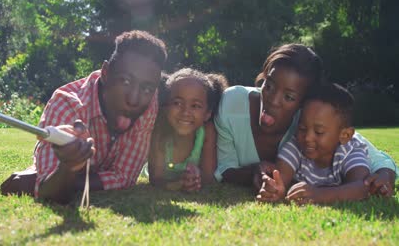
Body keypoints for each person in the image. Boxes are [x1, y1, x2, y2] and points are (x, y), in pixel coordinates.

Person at [214, 43, 397, 196]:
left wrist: (386, 174)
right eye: (268, 85)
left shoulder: (306, 124)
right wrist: (254, 172)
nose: (273, 101)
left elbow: (370, 154)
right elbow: (224, 168)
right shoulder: (232, 104)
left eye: (289, 97)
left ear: (304, 104)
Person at [33, 30, 167, 203]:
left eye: (147, 88)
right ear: (105, 73)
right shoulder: (67, 103)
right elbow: (48, 193)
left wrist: (70, 179)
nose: (134, 99)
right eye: (125, 81)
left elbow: (124, 176)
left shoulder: (149, 103)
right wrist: (67, 168)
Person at [257, 83, 370, 204]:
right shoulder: (295, 147)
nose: (307, 138)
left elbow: (362, 187)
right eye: (302, 128)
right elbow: (280, 179)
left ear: (345, 135)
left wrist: (319, 195)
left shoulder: (350, 150)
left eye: (319, 132)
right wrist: (275, 189)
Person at [148, 68, 228, 191]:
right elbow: (155, 179)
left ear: (207, 113)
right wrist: (177, 184)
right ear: (165, 106)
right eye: (177, 103)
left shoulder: (207, 132)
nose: (186, 112)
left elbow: (208, 178)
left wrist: (195, 179)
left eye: (195, 106)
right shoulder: (160, 130)